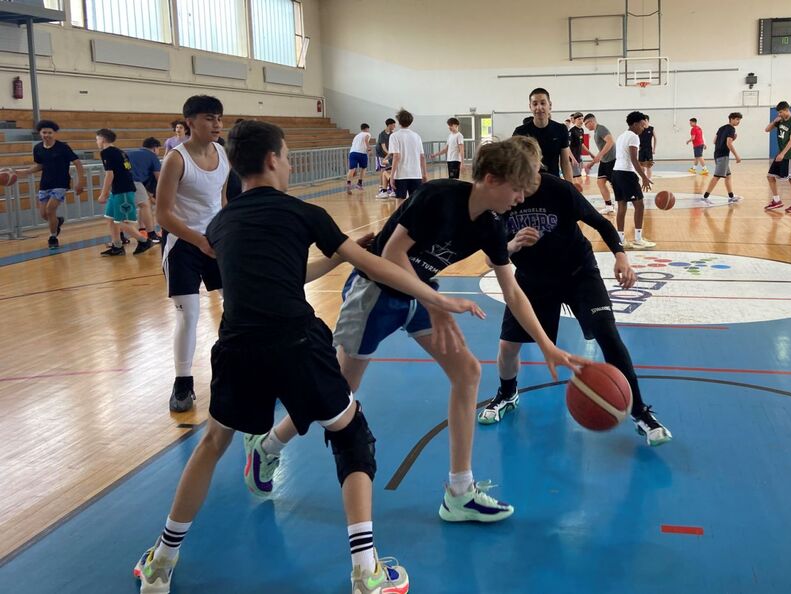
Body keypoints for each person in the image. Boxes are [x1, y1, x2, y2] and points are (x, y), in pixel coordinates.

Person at [132, 120, 486, 594]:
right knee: (350, 434)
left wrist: (335, 258)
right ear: (273, 159)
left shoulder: (220, 224)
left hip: (237, 347)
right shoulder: (305, 213)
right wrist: (435, 297)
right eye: (286, 156)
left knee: (213, 443)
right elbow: (377, 264)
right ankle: (366, 570)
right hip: (297, 344)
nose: (290, 164)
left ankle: (161, 561)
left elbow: (280, 275)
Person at [238, 137, 583, 526]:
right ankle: (268, 444)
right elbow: (391, 255)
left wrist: (546, 345)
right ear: (491, 179)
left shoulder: (491, 224)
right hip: (375, 292)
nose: (520, 199)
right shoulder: (439, 197)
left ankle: (459, 491)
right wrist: (435, 303)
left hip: (417, 294)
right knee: (338, 392)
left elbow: (513, 292)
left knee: (467, 372)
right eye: (517, 189)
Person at [478, 136, 673, 446]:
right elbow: (491, 258)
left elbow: (601, 224)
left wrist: (621, 256)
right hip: (533, 280)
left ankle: (639, 411)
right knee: (507, 347)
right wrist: (512, 245)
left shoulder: (559, 189)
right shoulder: (505, 197)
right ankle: (507, 393)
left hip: (578, 273)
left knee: (608, 334)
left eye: (531, 168)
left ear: (538, 165)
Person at [156, 95, 230, 413]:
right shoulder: (176, 160)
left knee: (237, 306)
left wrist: (227, 234)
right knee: (189, 314)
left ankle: (244, 367)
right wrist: (199, 240)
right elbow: (162, 214)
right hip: (183, 245)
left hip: (215, 242)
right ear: (190, 122)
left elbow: (221, 201)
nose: (217, 124)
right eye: (209, 118)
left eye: (219, 118)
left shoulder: (223, 153)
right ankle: (183, 381)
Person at [14, 120, 86, 249]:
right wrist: (24, 171)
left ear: (54, 133)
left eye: (49, 132)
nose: (47, 135)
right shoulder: (37, 148)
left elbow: (77, 163)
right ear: (40, 133)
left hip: (61, 183)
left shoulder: (63, 147)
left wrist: (80, 181)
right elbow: (40, 165)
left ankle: (53, 237)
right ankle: (57, 222)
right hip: (45, 183)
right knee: (44, 214)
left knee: (50, 209)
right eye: (44, 132)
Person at [95, 129, 151, 256]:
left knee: (120, 221)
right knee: (110, 217)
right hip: (118, 190)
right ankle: (117, 246)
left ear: (103, 139)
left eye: (97, 139)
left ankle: (144, 241)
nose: (97, 142)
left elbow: (109, 174)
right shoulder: (120, 152)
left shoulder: (106, 152)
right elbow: (126, 169)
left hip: (123, 190)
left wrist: (103, 193)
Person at [610, 111, 655, 249]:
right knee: (639, 205)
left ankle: (621, 239)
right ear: (635, 124)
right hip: (627, 175)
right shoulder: (634, 137)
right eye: (641, 125)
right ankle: (638, 239)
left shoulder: (621, 136)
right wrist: (644, 177)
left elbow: (626, 158)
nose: (643, 128)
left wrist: (644, 165)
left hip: (616, 173)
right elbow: (634, 159)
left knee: (622, 205)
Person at [513, 88, 573, 180]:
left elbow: (565, 162)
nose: (539, 107)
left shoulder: (561, 129)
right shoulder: (520, 132)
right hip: (529, 183)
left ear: (550, 105)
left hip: (553, 181)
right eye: (535, 104)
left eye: (543, 103)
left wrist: (570, 185)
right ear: (530, 107)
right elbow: (514, 162)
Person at [763, 101, 791, 213]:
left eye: (781, 112)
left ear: (786, 110)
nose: (779, 114)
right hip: (780, 153)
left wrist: (783, 154)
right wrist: (774, 121)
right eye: (778, 112)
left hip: (788, 155)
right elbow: (767, 129)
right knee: (770, 176)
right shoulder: (780, 120)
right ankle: (776, 200)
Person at [701, 112, 743, 205]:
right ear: (731, 119)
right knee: (717, 177)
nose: (738, 121)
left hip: (717, 154)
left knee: (728, 176)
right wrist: (737, 156)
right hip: (723, 155)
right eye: (737, 119)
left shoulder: (721, 128)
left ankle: (731, 196)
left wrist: (732, 139)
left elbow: (714, 141)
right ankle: (705, 197)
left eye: (739, 120)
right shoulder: (731, 129)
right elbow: (728, 143)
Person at [127, 137, 163, 243]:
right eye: (159, 149)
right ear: (155, 148)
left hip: (118, 183)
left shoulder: (131, 153)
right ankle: (151, 234)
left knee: (120, 212)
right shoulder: (152, 156)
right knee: (145, 205)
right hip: (133, 181)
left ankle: (121, 237)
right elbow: (159, 178)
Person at [388, 109, 426, 200]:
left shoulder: (394, 136)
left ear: (398, 121)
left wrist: (392, 176)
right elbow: (422, 156)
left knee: (400, 201)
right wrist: (424, 174)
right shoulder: (417, 136)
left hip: (401, 175)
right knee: (415, 202)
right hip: (416, 174)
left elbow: (396, 156)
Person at [582, 113, 616, 215]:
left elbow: (610, 142)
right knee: (600, 182)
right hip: (604, 161)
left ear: (591, 121)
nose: (586, 126)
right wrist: (592, 163)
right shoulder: (596, 131)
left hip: (611, 160)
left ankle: (622, 201)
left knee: (615, 184)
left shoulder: (601, 129)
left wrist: (599, 156)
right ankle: (609, 206)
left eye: (586, 123)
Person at [347, 123, 371, 194]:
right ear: (367, 128)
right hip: (362, 153)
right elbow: (366, 140)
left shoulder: (357, 136)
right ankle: (359, 183)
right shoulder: (367, 134)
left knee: (351, 169)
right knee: (363, 168)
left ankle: (348, 183)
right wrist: (369, 149)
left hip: (352, 153)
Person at [375, 118, 396, 198]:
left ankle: (388, 188)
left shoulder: (392, 134)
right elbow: (384, 147)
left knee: (388, 170)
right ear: (389, 125)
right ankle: (381, 187)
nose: (394, 126)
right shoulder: (382, 134)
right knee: (383, 170)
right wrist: (390, 154)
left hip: (389, 155)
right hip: (381, 154)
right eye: (393, 125)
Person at [568, 111, 587, 185]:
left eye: (582, 119)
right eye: (579, 119)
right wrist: (573, 159)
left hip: (578, 158)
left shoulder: (581, 130)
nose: (581, 121)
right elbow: (567, 147)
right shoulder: (571, 131)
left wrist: (591, 154)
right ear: (574, 120)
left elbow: (581, 144)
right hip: (572, 159)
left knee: (577, 180)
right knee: (578, 180)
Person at [638, 115, 656, 180]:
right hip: (641, 149)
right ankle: (643, 178)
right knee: (641, 166)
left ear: (647, 120)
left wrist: (654, 149)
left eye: (643, 120)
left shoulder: (651, 129)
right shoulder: (640, 129)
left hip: (649, 150)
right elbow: (636, 138)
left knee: (649, 166)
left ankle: (649, 179)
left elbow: (655, 138)